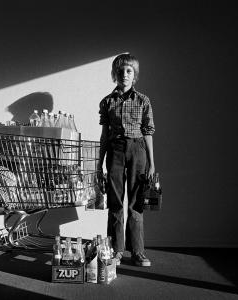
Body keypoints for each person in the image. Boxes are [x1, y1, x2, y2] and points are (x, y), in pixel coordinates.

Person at [98, 53, 155, 267]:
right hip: (115, 150)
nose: (124, 74)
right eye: (120, 71)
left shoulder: (143, 100)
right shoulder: (107, 102)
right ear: (115, 74)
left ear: (135, 75)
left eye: (129, 71)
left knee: (135, 203)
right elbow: (105, 135)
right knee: (115, 201)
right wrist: (98, 163)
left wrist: (151, 162)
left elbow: (148, 132)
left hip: (138, 149)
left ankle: (138, 251)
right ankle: (116, 249)